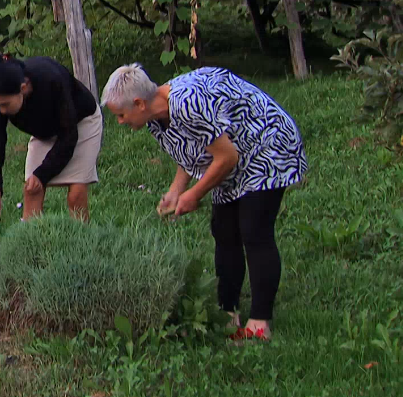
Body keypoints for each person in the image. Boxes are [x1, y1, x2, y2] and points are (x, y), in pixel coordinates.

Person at [100, 64, 307, 342]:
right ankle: (227, 313)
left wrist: (194, 194)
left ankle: (259, 324)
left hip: (265, 145)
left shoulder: (188, 104)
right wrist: (177, 189)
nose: (120, 122)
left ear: (138, 103)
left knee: (254, 231)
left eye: (121, 115)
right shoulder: (154, 115)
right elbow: (193, 147)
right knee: (224, 230)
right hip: (231, 151)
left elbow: (227, 158)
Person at [0, 54, 103, 224]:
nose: (1, 111)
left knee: (75, 194)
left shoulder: (50, 79)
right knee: (32, 190)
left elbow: (69, 136)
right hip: (45, 133)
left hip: (81, 124)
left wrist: (41, 174)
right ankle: (30, 242)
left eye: (5, 104)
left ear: (23, 88)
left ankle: (84, 241)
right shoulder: (0, 101)